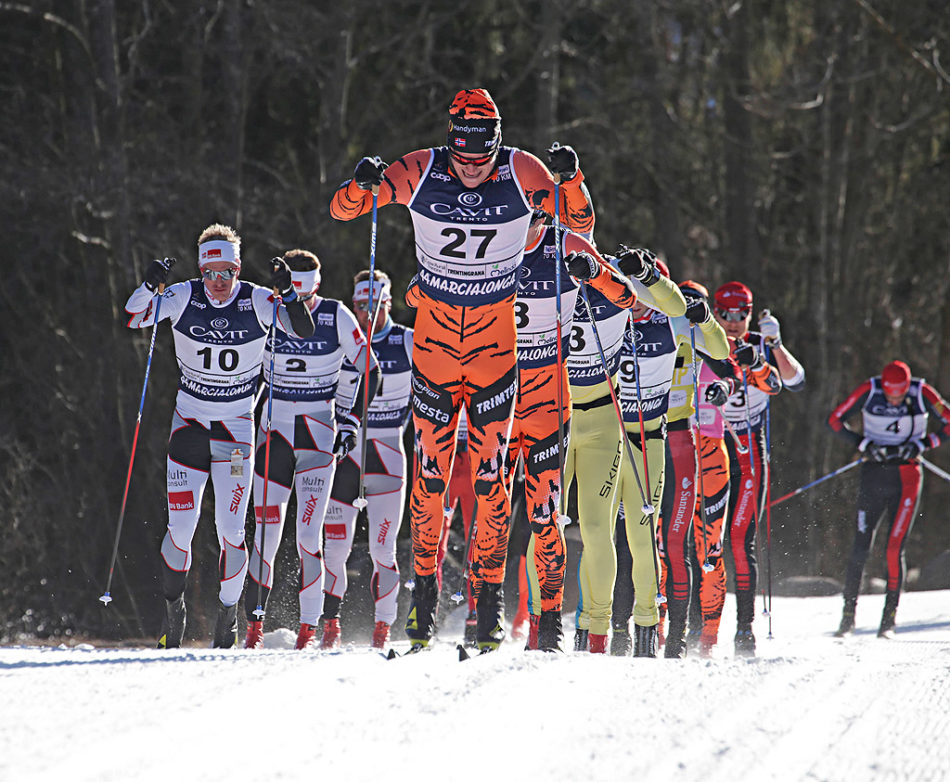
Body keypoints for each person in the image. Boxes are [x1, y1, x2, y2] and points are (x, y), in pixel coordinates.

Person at [330, 87, 595, 653]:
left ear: (497, 139)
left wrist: (570, 179)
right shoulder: (421, 168)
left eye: (483, 150)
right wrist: (362, 183)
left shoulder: (521, 168)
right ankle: (422, 600)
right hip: (433, 350)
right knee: (429, 477)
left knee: (490, 480)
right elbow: (343, 210)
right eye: (462, 150)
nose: (472, 165)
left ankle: (490, 605)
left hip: (497, 354)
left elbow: (581, 220)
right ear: (449, 137)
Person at [124, 224, 314, 649]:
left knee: (230, 530)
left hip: (234, 432)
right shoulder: (182, 295)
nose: (218, 284)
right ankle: (174, 614)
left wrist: (290, 293)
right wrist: (150, 285)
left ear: (238, 268)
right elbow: (135, 316)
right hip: (189, 427)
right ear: (200, 270)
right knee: (180, 530)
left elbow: (302, 330)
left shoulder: (259, 299)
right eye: (210, 274)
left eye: (226, 273)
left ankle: (227, 616)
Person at [510, 212, 637, 652]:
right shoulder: (536, 275)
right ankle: (538, 625)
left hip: (602, 421)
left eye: (583, 244)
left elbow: (660, 304)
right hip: (554, 415)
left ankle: (597, 632)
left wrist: (642, 273)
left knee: (599, 530)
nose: (574, 251)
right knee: (543, 523)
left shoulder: (613, 281)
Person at [243, 249, 378, 651]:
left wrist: (351, 420)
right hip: (274, 434)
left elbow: (370, 368)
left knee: (307, 535)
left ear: (314, 284)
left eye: (299, 289)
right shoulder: (267, 310)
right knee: (265, 535)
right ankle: (252, 628)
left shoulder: (335, 315)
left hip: (317, 436)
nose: (293, 297)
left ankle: (309, 628)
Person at [569, 249, 686, 656]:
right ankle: (591, 625)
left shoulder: (670, 322)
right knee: (595, 532)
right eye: (631, 288)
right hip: (609, 434)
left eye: (645, 290)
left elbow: (686, 313)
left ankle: (647, 624)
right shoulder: (606, 310)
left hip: (647, 441)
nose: (638, 299)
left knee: (640, 535)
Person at [608, 264, 728, 659]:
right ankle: (620, 634)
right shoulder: (617, 316)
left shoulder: (680, 321)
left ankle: (677, 641)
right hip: (630, 437)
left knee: (675, 546)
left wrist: (722, 386)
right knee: (626, 546)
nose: (643, 297)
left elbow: (722, 361)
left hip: (677, 441)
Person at [713, 281, 804, 656]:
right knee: (704, 538)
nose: (733, 323)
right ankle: (699, 627)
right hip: (711, 443)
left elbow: (796, 382)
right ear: (716, 312)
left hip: (750, 448)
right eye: (726, 315)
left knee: (738, 539)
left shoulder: (760, 342)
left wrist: (777, 344)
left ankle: (744, 629)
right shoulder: (706, 337)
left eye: (741, 315)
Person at [322, 270, 412, 650]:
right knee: (334, 547)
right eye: (361, 305)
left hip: (388, 452)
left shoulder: (408, 341)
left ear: (388, 303)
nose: (368, 313)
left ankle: (382, 629)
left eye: (376, 304)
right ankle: (328, 627)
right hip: (345, 455)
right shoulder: (343, 341)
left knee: (382, 550)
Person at [827, 360, 950, 638]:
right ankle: (847, 619)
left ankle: (888, 621)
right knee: (860, 547)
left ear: (907, 386)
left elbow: (948, 422)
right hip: (874, 475)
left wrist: (921, 445)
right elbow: (834, 420)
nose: (894, 399)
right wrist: (864, 445)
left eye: (900, 393)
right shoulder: (870, 390)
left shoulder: (922, 392)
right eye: (890, 393)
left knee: (894, 549)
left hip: (907, 478)